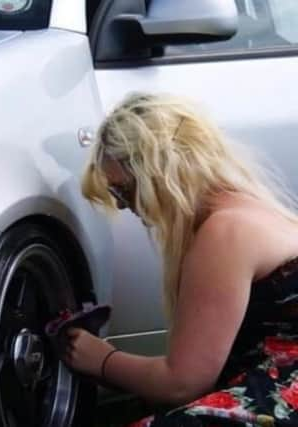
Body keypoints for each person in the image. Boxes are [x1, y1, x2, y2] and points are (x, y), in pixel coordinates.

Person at [69, 92, 298, 426]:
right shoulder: (246, 209)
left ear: (160, 174)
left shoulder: (225, 231)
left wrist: (101, 359)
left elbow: (181, 383)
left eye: (122, 190)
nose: (120, 205)